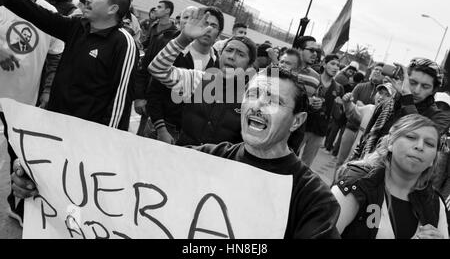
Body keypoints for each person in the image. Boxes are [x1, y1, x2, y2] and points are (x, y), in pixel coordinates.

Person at [11, 66, 341, 239]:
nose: (258, 105)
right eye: (253, 94)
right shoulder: (205, 157)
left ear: (297, 120)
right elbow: (121, 179)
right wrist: (44, 175)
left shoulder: (313, 198)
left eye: (274, 101)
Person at [4, 0, 138, 131]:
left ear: (112, 9)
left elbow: (121, 99)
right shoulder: (78, 26)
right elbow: (37, 14)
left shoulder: (123, 43)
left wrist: (106, 140)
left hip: (84, 135)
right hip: (53, 123)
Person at [149, 7, 257, 146]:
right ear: (221, 55)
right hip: (182, 155)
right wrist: (183, 39)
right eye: (229, 50)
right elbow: (157, 69)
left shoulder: (251, 98)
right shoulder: (199, 79)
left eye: (240, 54)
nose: (231, 57)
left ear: (249, 66)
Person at [332, 114, 449, 239]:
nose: (420, 146)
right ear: (391, 143)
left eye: (429, 144)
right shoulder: (356, 186)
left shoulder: (435, 203)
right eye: (411, 137)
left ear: (433, 160)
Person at [353, 58, 450, 160]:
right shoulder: (387, 105)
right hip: (365, 165)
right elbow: (366, 137)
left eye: (425, 86)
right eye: (412, 83)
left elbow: (421, 133)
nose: (417, 90)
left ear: (433, 90)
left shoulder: (441, 115)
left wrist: (407, 99)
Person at [0, 0, 63, 108]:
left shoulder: (50, 12)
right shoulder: (1, 1)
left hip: (23, 102)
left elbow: (55, 57)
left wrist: (48, 90)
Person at [133, 6, 195, 139]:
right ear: (179, 21)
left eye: (193, 18)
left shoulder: (210, 54)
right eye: (185, 17)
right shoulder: (163, 40)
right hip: (156, 112)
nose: (189, 21)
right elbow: (144, 68)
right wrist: (139, 97)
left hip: (183, 125)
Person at [333, 83, 396, 180]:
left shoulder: (392, 120)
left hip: (370, 165)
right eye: (380, 93)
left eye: (387, 95)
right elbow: (352, 113)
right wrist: (347, 102)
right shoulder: (369, 108)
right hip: (354, 156)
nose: (381, 97)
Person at [299, 54, 344, 166]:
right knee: (290, 155)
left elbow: (337, 116)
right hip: (302, 125)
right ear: (324, 64)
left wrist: (339, 105)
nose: (335, 68)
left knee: (305, 165)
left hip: (320, 130)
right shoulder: (312, 79)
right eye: (332, 64)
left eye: (338, 65)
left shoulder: (339, 88)